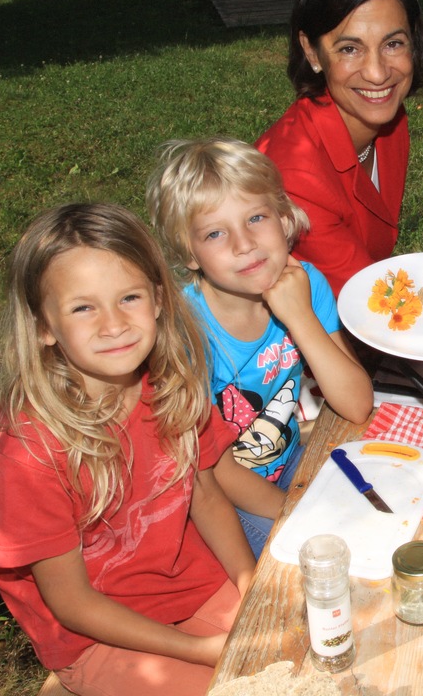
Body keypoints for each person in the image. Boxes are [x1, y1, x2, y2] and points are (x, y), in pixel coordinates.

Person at [0, 203, 255, 696]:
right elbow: (73, 603)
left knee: (303, 646)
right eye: (83, 307)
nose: (114, 324)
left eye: (128, 297)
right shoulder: (27, 454)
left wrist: (250, 581)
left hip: (191, 587)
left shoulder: (170, 386)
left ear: (159, 299)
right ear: (43, 325)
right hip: (94, 636)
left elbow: (205, 494)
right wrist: (199, 652)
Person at [147, 138, 373, 557]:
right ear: (189, 253)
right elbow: (213, 470)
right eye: (215, 233)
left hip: (289, 461)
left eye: (256, 218)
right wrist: (296, 510)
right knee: (309, 562)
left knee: (383, 507)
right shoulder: (184, 332)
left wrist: (300, 316)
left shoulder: (306, 284)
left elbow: (357, 403)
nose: (243, 244)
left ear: (284, 220)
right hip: (224, 498)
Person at [256, 0, 423, 297]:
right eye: (350, 48)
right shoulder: (296, 177)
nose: (378, 73)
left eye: (393, 44)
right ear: (312, 52)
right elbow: (367, 298)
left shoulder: (388, 120)